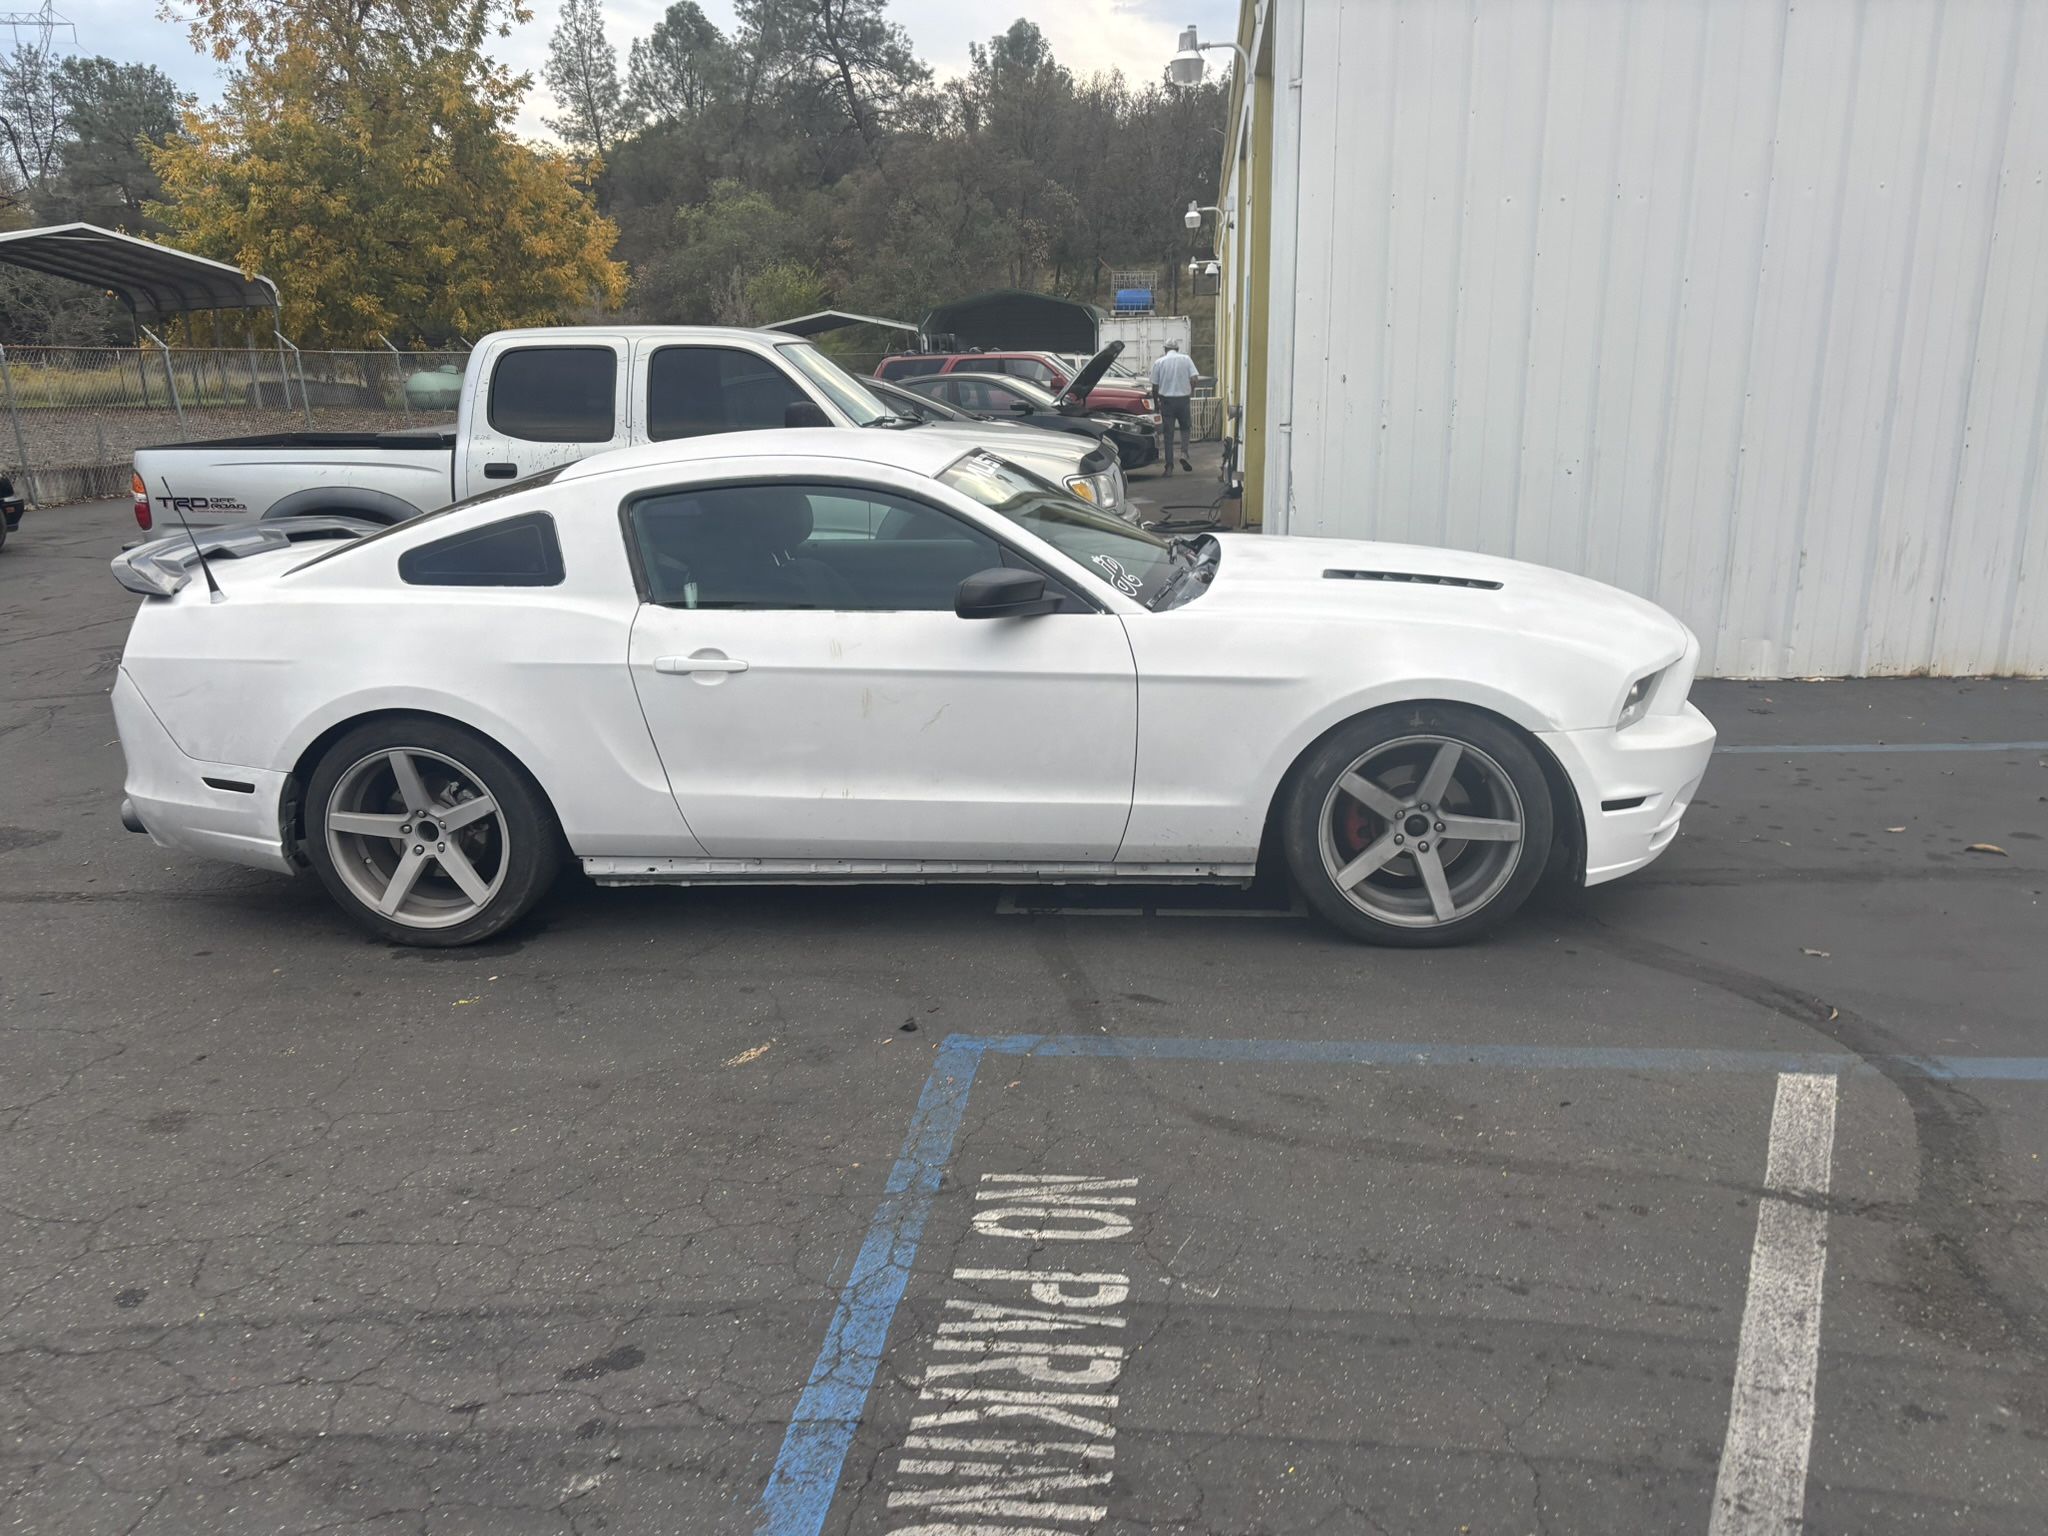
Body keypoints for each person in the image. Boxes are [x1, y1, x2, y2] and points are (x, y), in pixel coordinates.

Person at [1148, 341, 1198, 474]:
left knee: (1168, 435)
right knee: (1185, 428)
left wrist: (1156, 405)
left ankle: (1169, 466)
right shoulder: (1186, 359)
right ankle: (1183, 453)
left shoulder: (1159, 362)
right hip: (1183, 400)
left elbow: (1154, 387)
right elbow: (1194, 378)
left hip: (1166, 402)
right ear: (1177, 348)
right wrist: (1190, 392)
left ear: (1165, 349)